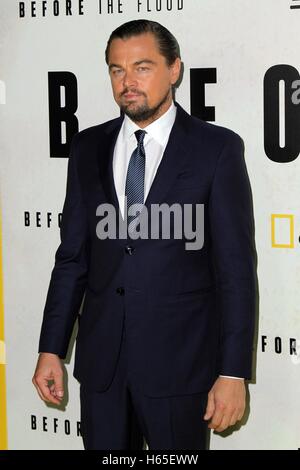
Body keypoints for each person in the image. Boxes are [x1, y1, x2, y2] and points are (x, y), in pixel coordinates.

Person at [32, 19, 257, 450]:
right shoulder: (86, 147)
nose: (127, 82)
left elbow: (235, 271)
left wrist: (232, 373)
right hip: (102, 370)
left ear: (175, 69)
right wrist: (51, 348)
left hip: (181, 369)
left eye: (142, 67)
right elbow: (72, 258)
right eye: (117, 70)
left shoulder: (217, 149)